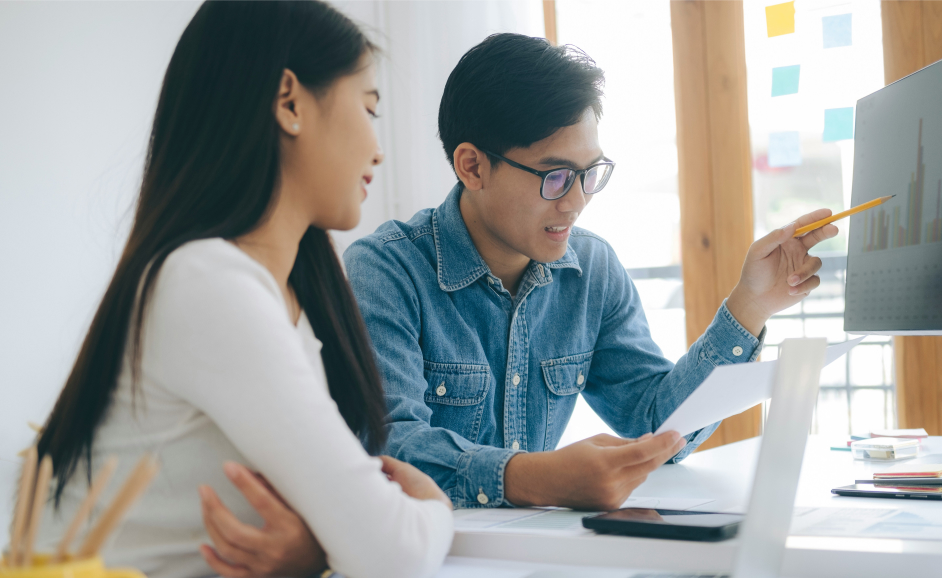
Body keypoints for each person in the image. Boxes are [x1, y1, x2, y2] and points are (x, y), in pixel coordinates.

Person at [32, 3, 453, 578]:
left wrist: (316, 549)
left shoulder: (281, 297)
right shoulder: (206, 283)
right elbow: (392, 551)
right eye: (369, 108)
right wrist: (435, 510)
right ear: (290, 102)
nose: (378, 149)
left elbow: (346, 524)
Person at [338, 33, 838, 511]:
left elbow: (654, 423)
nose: (577, 201)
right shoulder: (386, 270)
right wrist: (541, 477)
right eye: (555, 177)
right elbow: (389, 447)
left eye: (589, 173)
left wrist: (751, 305)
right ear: (472, 167)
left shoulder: (591, 269)